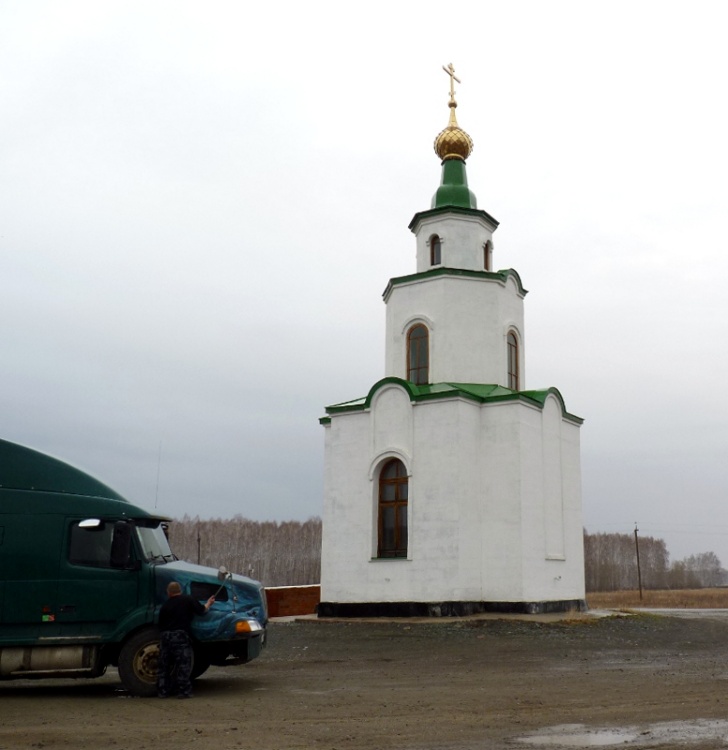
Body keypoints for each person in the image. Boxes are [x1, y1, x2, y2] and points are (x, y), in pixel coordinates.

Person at [157, 581, 215, 698]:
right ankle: (183, 691)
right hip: (180, 636)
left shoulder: (165, 606)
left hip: (165, 637)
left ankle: (163, 691)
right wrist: (209, 603)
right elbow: (201, 611)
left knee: (164, 666)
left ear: (168, 593)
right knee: (183, 665)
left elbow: (160, 624)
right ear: (180, 590)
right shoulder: (188, 600)